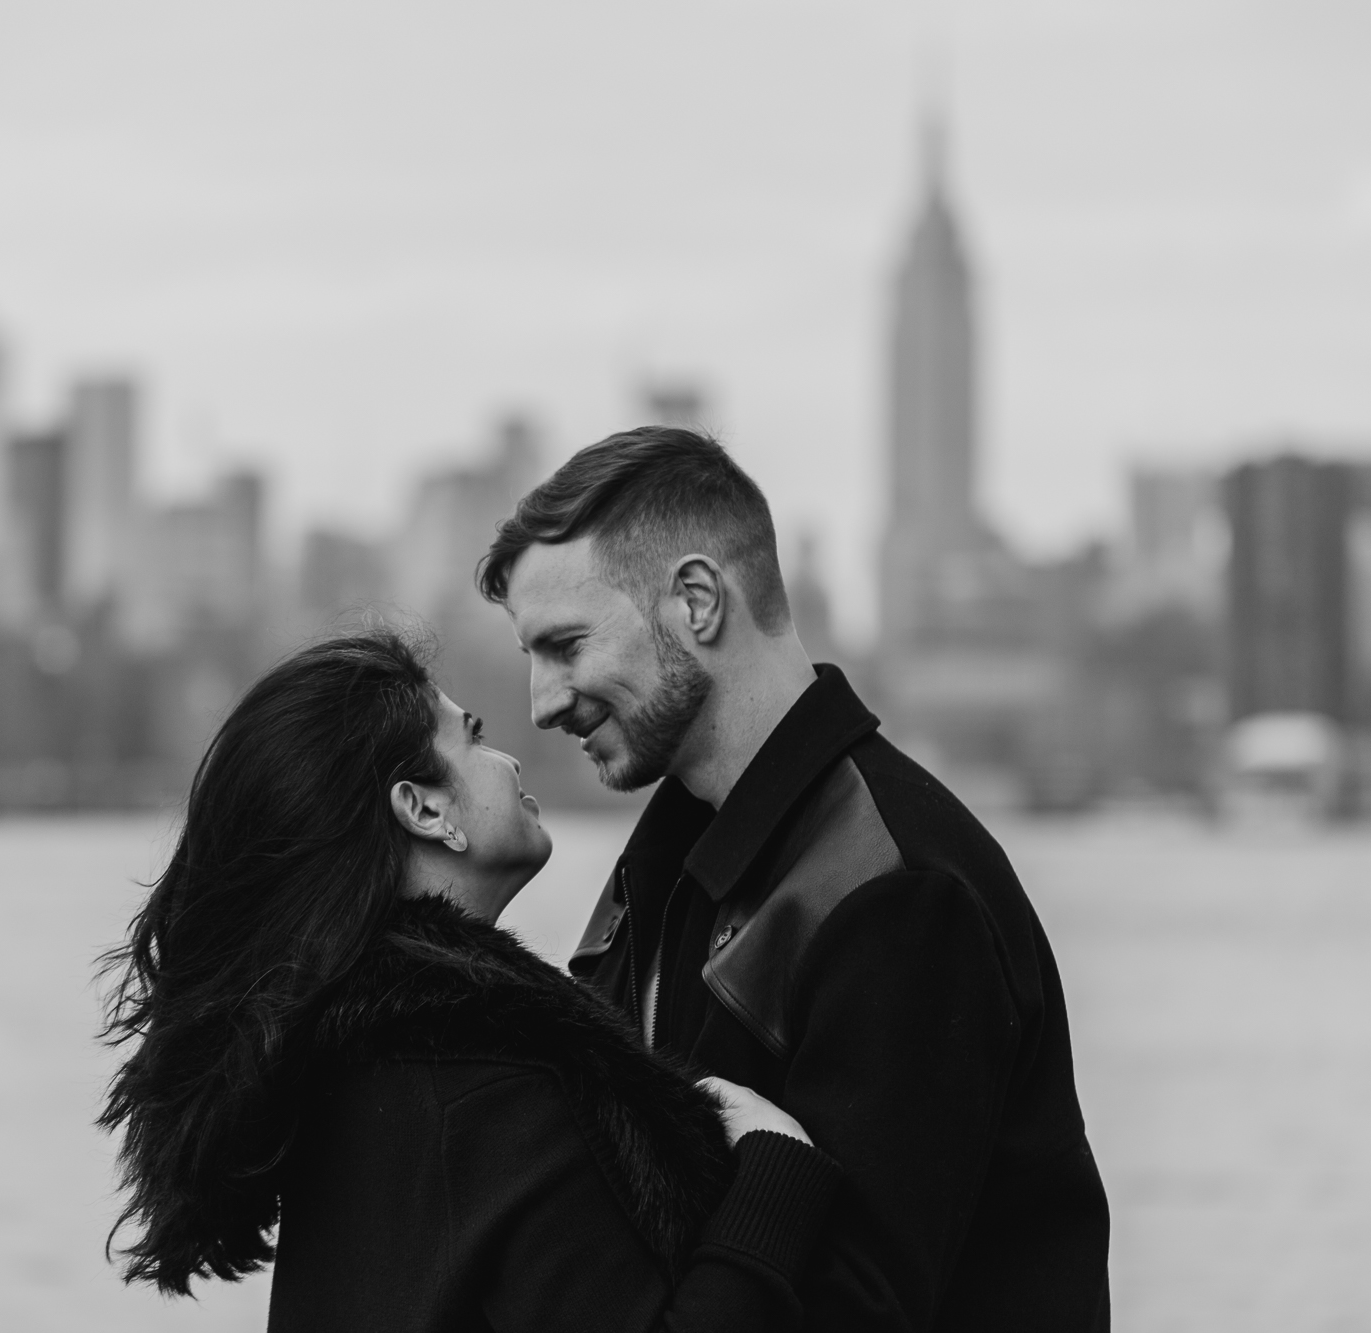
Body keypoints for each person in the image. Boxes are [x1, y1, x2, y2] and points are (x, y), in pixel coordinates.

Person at [480, 427, 1113, 1331]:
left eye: (566, 644)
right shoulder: (663, 865)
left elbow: (849, 1309)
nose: (544, 700)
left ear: (697, 600)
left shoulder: (897, 891)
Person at [98, 632, 842, 1332]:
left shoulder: (359, 1075)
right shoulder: (490, 1095)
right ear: (422, 808)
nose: (510, 759)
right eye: (475, 736)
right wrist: (771, 1186)